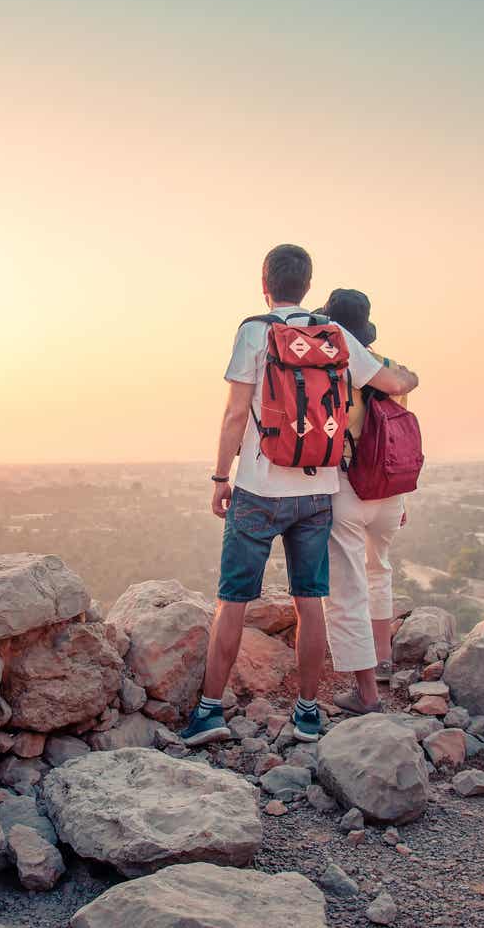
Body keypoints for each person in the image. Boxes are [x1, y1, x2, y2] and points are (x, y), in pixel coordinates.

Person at [180, 245, 419, 746]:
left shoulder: (254, 331)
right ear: (308, 286)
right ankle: (308, 712)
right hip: (318, 490)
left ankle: (209, 712)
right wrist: (412, 377)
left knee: (232, 601)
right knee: (310, 601)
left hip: (258, 489)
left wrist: (220, 477)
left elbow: (233, 415)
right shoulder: (334, 334)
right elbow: (392, 381)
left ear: (264, 283)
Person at [321, 288, 410, 714]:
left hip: (348, 487)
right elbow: (405, 392)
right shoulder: (388, 368)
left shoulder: (331, 370)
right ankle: (384, 658)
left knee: (347, 587)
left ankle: (366, 693)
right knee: (380, 572)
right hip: (390, 490)